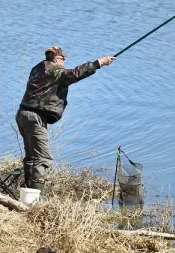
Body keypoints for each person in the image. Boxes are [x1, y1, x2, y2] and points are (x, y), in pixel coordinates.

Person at [16, 46, 116, 194]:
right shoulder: (54, 71)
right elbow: (75, 74)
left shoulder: (37, 68)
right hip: (34, 118)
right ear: (56, 59)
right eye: (63, 59)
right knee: (43, 158)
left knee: (32, 157)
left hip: (23, 114)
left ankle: (28, 193)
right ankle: (35, 199)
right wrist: (99, 62)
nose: (64, 62)